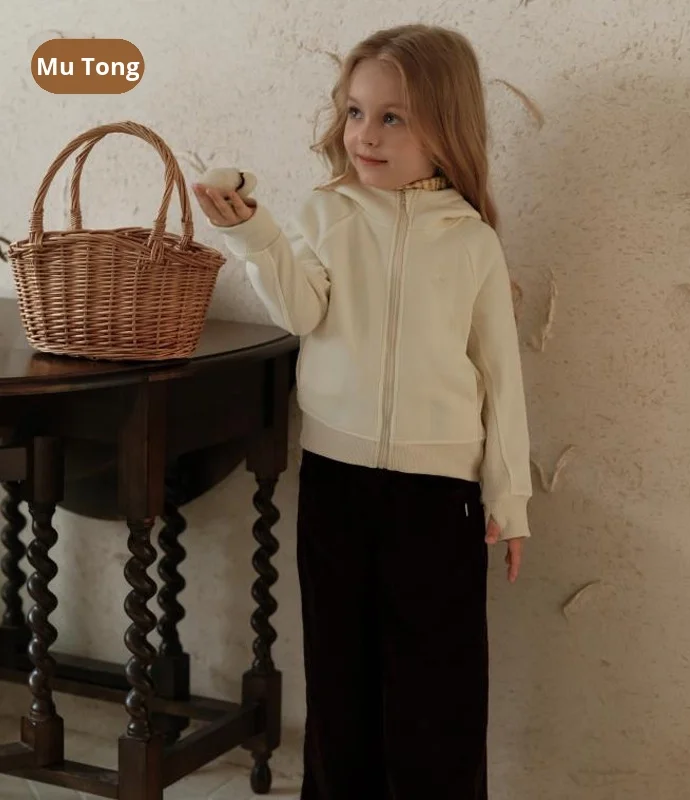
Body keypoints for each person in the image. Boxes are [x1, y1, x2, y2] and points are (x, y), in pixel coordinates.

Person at [192, 22, 532, 800]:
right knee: (341, 683)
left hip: (441, 496)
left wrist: (509, 497)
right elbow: (301, 310)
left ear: (445, 128)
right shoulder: (328, 213)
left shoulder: (472, 242)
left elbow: (500, 376)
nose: (365, 136)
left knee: (437, 694)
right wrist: (253, 231)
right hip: (337, 481)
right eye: (354, 112)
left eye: (392, 117)